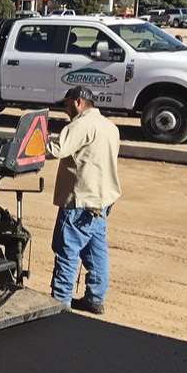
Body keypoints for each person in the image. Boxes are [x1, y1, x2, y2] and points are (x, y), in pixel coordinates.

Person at [46, 85, 121, 314]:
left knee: (66, 252)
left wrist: (28, 148)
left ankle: (60, 304)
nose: (66, 112)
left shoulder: (80, 124)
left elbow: (57, 149)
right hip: (101, 202)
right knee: (95, 251)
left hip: (79, 202)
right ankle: (95, 298)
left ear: (79, 102)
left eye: (67, 106)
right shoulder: (110, 127)